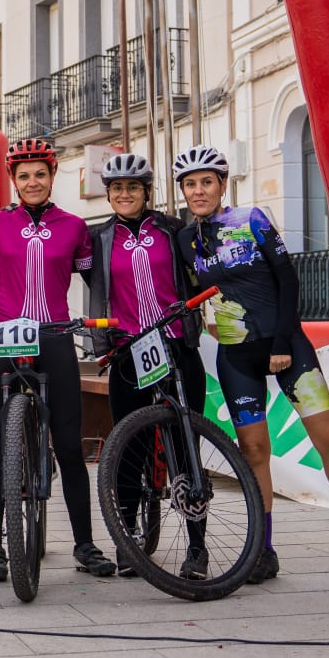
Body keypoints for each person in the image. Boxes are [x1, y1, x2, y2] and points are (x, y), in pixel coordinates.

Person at [172, 144, 329, 581]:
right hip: (236, 355)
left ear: (222, 183)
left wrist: (281, 341)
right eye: (190, 184)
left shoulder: (252, 220)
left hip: (286, 346)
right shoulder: (185, 240)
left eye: (206, 182)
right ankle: (264, 548)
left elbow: (287, 278)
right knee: (255, 451)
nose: (198, 191)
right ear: (182, 191)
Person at [0, 138, 117, 583]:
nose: (32, 182)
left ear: (52, 176)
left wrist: (104, 332)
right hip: (1, 334)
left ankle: (85, 544)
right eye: (23, 175)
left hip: (55, 333)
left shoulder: (75, 226)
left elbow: (101, 278)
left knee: (70, 446)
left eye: (40, 174)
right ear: (13, 181)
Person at [84, 152, 207, 579]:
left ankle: (197, 548)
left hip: (176, 346)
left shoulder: (174, 230)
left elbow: (202, 271)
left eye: (132, 187)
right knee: (130, 450)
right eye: (116, 188)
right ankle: (130, 536)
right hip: (128, 352)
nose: (124, 194)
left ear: (146, 192)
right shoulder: (98, 238)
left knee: (187, 446)